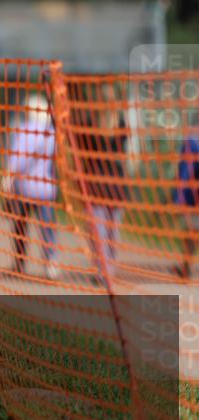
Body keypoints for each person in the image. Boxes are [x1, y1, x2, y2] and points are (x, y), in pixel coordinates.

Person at [2, 93, 59, 281]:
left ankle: (19, 263)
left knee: (20, 227)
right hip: (46, 189)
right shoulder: (51, 132)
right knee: (47, 227)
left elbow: (15, 160)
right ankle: (51, 263)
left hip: (25, 188)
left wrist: (7, 181)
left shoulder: (23, 130)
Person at [74, 84, 127, 281]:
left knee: (107, 233)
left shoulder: (118, 124)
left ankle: (105, 270)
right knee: (103, 232)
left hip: (109, 185)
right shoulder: (91, 125)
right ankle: (104, 270)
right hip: (101, 185)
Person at [173, 128, 199, 279]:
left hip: (193, 198)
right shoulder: (192, 141)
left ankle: (186, 267)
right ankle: (185, 267)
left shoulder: (192, 141)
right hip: (193, 198)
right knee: (192, 233)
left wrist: (179, 197)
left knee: (191, 233)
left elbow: (184, 171)